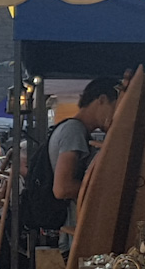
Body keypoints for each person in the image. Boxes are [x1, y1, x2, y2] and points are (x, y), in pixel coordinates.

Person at [51, 78, 120, 255]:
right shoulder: (74, 130)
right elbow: (62, 188)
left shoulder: (72, 129)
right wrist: (106, 192)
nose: (116, 115)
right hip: (70, 235)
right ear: (102, 100)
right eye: (115, 107)